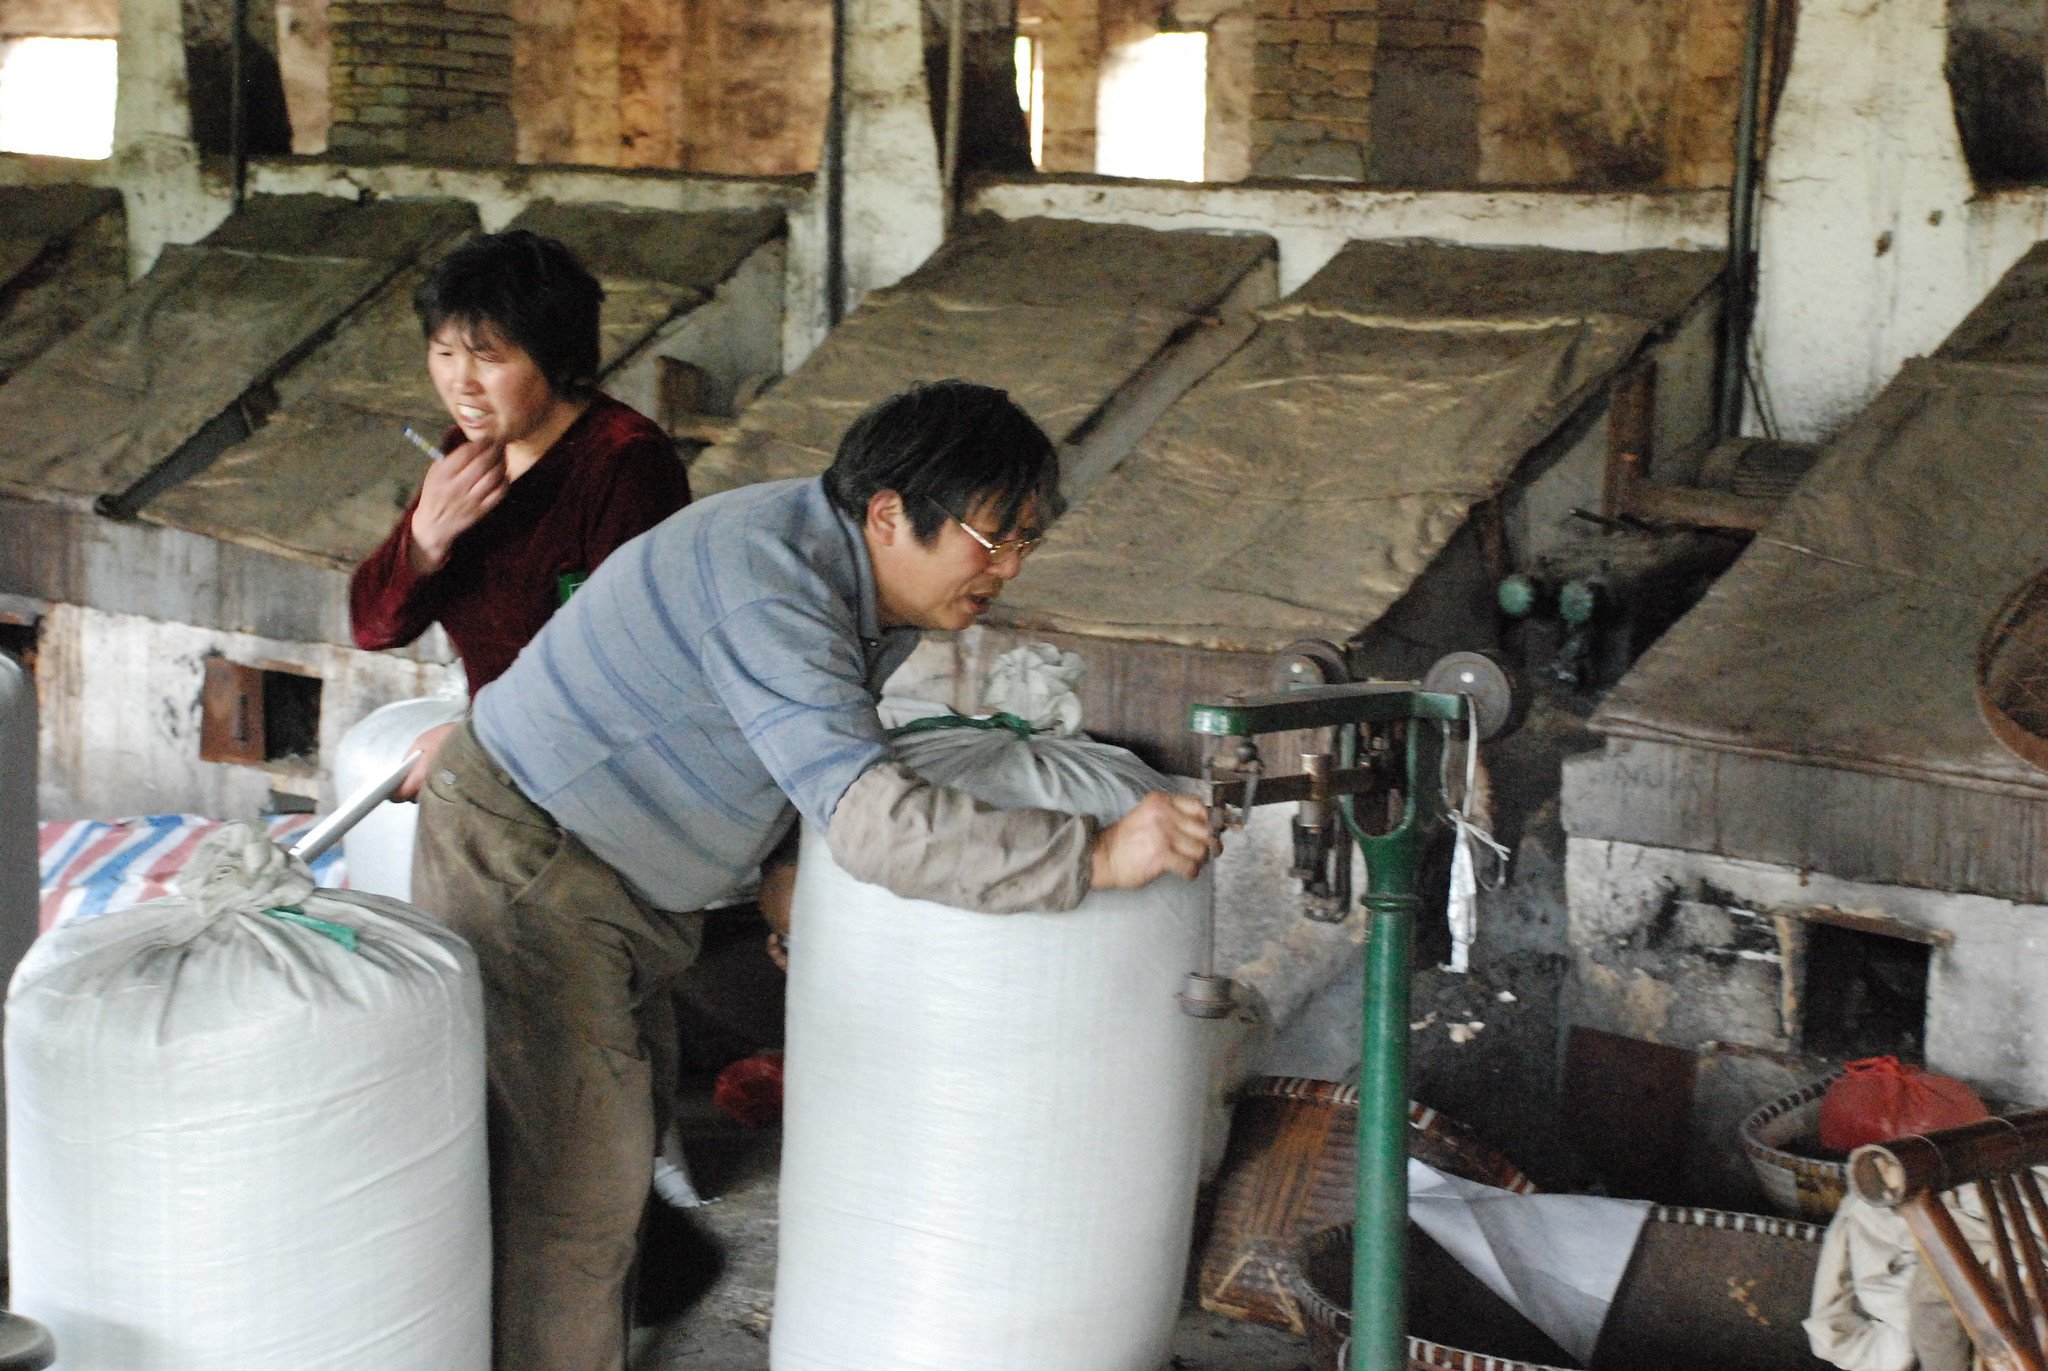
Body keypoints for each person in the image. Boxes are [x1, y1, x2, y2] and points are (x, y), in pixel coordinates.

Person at [412, 380, 1216, 1371]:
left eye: (1025, 543)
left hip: (619, 876)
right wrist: (1091, 857)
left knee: (602, 1185)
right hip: (534, 860)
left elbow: (806, 740)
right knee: (574, 1206)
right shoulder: (770, 581)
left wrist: (784, 863)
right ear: (888, 515)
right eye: (990, 538)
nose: (1006, 569)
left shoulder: (854, 581)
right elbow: (877, 822)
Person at [348, 228, 690, 719]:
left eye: (488, 359)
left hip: (586, 753)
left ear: (559, 361)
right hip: (503, 737)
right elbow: (372, 628)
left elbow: (622, 666)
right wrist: (426, 538)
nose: (461, 384)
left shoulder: (625, 462)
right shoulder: (466, 452)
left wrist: (480, 742)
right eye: (444, 354)